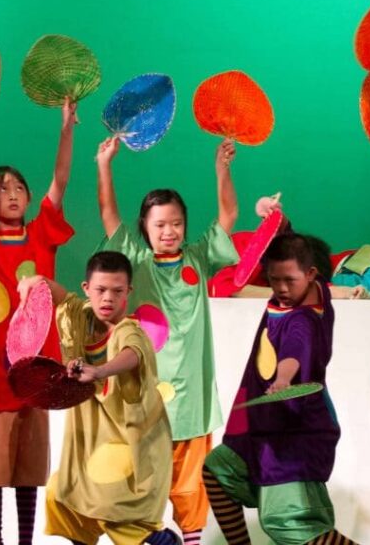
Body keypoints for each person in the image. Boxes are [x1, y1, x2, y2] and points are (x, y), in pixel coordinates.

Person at [96, 136, 239, 545]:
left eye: (176, 223)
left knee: (191, 490)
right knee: (141, 486)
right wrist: (104, 164)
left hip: (192, 400)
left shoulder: (198, 258)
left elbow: (229, 212)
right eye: (159, 224)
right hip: (145, 400)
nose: (169, 231)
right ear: (145, 227)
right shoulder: (135, 263)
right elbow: (108, 213)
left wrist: (221, 168)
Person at [0, 98, 77, 545]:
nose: (12, 194)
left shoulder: (42, 234)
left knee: (29, 472)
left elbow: (62, 180)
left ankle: (25, 541)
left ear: (29, 199)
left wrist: (67, 129)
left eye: (19, 188)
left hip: (35, 374)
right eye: (2, 188)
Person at [204, 229, 356, 545]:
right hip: (262, 431)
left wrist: (284, 378)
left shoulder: (303, 319)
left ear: (311, 274)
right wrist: (279, 221)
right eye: (275, 280)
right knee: (218, 470)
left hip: (294, 435)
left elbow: (294, 352)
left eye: (290, 280)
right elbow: (289, 248)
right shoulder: (314, 292)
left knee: (286, 522)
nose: (282, 288)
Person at [20, 251, 178, 545]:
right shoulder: (81, 317)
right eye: (100, 290)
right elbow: (60, 297)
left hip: (129, 438)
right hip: (91, 438)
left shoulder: (129, 330)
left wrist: (100, 371)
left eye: (117, 291)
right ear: (87, 289)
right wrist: (34, 282)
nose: (108, 298)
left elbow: (132, 354)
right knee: (63, 494)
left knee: (109, 501)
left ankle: (162, 540)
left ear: (128, 292)